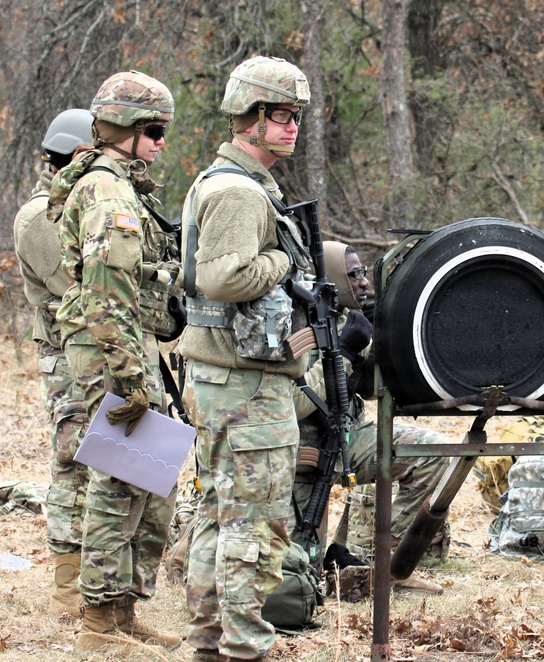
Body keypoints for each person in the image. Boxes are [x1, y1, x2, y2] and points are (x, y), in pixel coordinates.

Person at [178, 55, 314, 662]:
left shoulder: (229, 182)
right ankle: (244, 648)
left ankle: (212, 644)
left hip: (227, 379)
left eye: (296, 117)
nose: (292, 127)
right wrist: (285, 260)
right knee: (254, 526)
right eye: (282, 116)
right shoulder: (237, 191)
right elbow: (222, 278)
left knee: (219, 516)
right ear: (251, 118)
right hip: (245, 386)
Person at [50, 71, 182, 653]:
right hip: (111, 349)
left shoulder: (120, 186)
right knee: (121, 481)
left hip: (123, 345)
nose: (160, 142)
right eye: (153, 131)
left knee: (151, 479)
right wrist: (130, 377)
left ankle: (123, 610)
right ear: (123, 129)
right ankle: (99, 624)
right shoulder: (108, 193)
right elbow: (107, 293)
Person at [291, 241, 449, 598]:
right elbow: (299, 402)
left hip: (350, 439)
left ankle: (384, 564)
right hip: (303, 454)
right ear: (332, 280)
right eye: (353, 275)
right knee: (300, 578)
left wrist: (384, 335)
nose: (363, 282)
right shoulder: (301, 324)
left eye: (363, 273)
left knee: (432, 453)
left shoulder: (348, 320)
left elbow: (373, 388)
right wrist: (345, 351)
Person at [13, 108, 93, 617]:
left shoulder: (86, 206)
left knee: (120, 463)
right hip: (66, 356)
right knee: (74, 461)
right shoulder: (40, 216)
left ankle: (106, 580)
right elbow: (76, 286)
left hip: (101, 353)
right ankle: (68, 584)